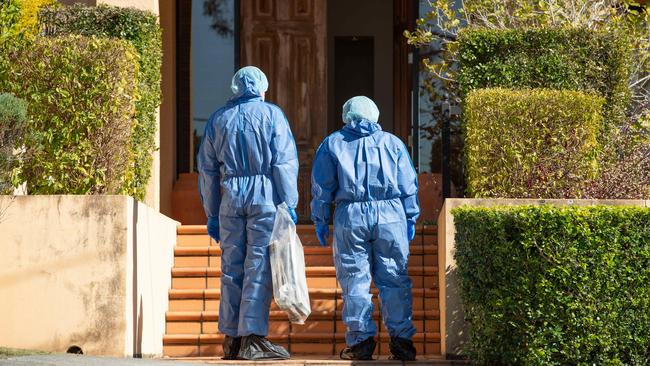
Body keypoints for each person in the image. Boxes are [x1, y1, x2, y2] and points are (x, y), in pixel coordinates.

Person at [198, 66, 299, 360]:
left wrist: (212, 213)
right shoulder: (272, 115)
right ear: (261, 87)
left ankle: (231, 338)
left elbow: (207, 170)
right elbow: (284, 163)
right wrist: (288, 203)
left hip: (231, 198)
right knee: (258, 266)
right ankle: (252, 338)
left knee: (232, 267)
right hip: (264, 197)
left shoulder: (218, 119)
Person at [310, 96, 420, 361]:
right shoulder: (393, 143)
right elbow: (408, 184)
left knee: (355, 280)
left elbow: (321, 188)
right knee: (395, 278)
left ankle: (361, 342)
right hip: (391, 215)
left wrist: (321, 219)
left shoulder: (333, 143)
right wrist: (411, 217)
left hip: (351, 216)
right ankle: (402, 341)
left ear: (346, 114)